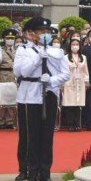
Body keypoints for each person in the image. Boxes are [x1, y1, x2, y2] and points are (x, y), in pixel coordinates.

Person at [14, 17, 70, 181]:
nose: (45, 34)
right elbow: (21, 72)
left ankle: (45, 171)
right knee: (31, 135)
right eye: (41, 32)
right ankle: (31, 170)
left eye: (47, 32)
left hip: (49, 94)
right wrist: (38, 58)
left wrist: (52, 81)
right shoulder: (23, 50)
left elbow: (65, 73)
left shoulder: (57, 52)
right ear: (32, 34)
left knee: (46, 135)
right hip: (30, 96)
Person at [63, 37, 89, 131]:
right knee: (70, 104)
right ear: (70, 46)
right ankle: (70, 124)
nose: (75, 46)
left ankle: (77, 124)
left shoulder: (83, 57)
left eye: (77, 45)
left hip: (80, 83)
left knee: (78, 105)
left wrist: (86, 82)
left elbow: (85, 71)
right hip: (69, 82)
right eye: (73, 45)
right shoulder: (65, 58)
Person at [0, 28, 18, 129]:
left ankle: (10, 120)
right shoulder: (1, 50)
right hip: (3, 74)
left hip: (13, 76)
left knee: (12, 98)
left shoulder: (18, 50)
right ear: (4, 39)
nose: (10, 40)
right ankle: (1, 121)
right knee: (2, 98)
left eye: (12, 38)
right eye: (8, 38)